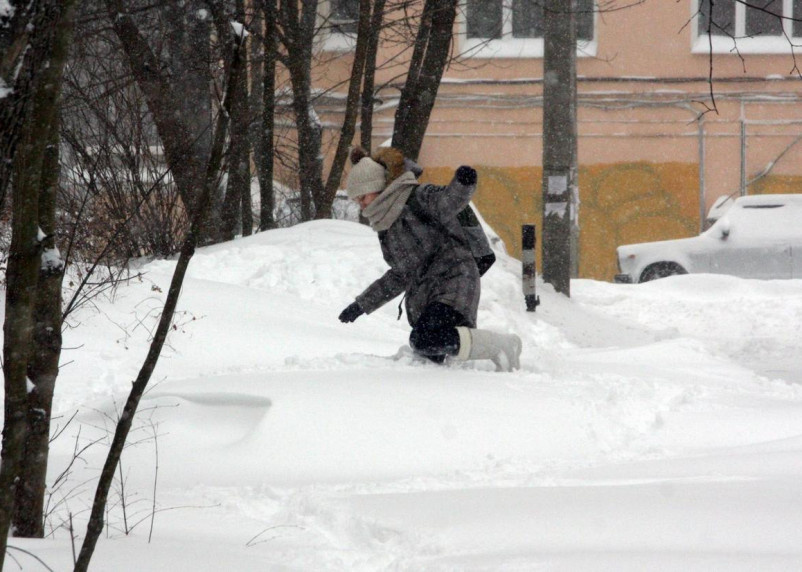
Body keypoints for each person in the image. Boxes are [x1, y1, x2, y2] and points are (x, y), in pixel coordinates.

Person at [338, 146, 522, 372]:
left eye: (363, 197)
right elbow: (401, 274)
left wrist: (463, 184)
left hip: (455, 280)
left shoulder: (418, 198)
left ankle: (502, 346)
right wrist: (361, 304)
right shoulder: (386, 226)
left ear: (377, 187)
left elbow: (447, 201)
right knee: (429, 354)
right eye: (357, 200)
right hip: (429, 294)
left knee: (425, 340)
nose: (362, 205)